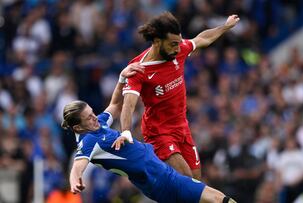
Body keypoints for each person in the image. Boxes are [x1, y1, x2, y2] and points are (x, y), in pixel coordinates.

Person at [62, 65, 237, 203]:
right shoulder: (88, 141)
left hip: (157, 173)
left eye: (92, 112)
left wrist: (122, 77)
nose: (94, 117)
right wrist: (74, 180)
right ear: (77, 128)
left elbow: (115, 105)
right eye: (89, 118)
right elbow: (78, 166)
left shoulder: (97, 125)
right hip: (159, 179)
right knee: (217, 199)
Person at [116, 11, 240, 180]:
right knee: (187, 181)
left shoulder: (178, 49)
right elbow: (128, 105)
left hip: (182, 127)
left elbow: (202, 39)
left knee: (196, 181)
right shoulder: (138, 69)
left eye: (179, 43)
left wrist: (225, 27)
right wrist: (125, 131)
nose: (177, 48)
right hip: (159, 132)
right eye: (173, 44)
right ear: (157, 41)